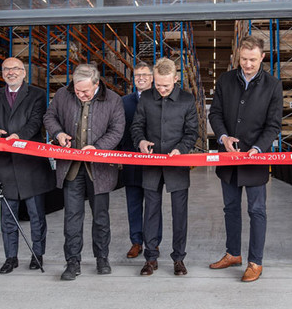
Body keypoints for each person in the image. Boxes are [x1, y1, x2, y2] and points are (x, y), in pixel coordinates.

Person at [208, 35, 283, 282]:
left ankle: (255, 261)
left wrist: (258, 149)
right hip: (228, 158)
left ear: (262, 57)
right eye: (243, 59)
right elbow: (216, 113)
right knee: (230, 208)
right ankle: (233, 253)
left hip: (255, 158)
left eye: (252, 60)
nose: (247, 64)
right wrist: (223, 137)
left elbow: (273, 125)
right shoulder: (225, 80)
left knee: (257, 210)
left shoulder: (273, 85)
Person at [43, 63, 125, 280]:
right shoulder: (62, 95)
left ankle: (102, 258)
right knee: (72, 217)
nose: (81, 95)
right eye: (77, 91)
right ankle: (72, 262)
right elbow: (49, 117)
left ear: (96, 84)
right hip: (71, 169)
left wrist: (97, 148)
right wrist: (59, 134)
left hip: (99, 170)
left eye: (86, 91)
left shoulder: (113, 100)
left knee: (100, 217)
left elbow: (117, 130)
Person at [0, 57, 55, 274]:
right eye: (6, 69)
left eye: (15, 69)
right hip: (5, 164)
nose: (10, 72)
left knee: (36, 215)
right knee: (7, 215)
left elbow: (36, 121)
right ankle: (10, 257)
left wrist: (19, 136)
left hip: (30, 162)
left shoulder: (36, 94)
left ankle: (37, 254)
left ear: (24, 73)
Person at [130, 58, 198, 276]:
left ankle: (179, 258)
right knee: (150, 212)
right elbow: (137, 126)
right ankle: (150, 258)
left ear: (175, 79)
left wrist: (181, 148)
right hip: (151, 164)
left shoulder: (187, 100)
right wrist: (140, 141)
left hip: (177, 164)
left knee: (180, 214)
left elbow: (192, 132)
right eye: (157, 85)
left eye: (166, 86)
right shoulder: (147, 98)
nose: (161, 89)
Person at [120, 61, 161, 258]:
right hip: (131, 160)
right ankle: (136, 241)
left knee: (154, 205)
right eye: (137, 75)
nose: (141, 78)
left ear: (152, 78)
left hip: (154, 162)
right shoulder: (124, 102)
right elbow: (119, 130)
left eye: (145, 75)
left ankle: (154, 242)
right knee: (133, 204)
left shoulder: (160, 98)